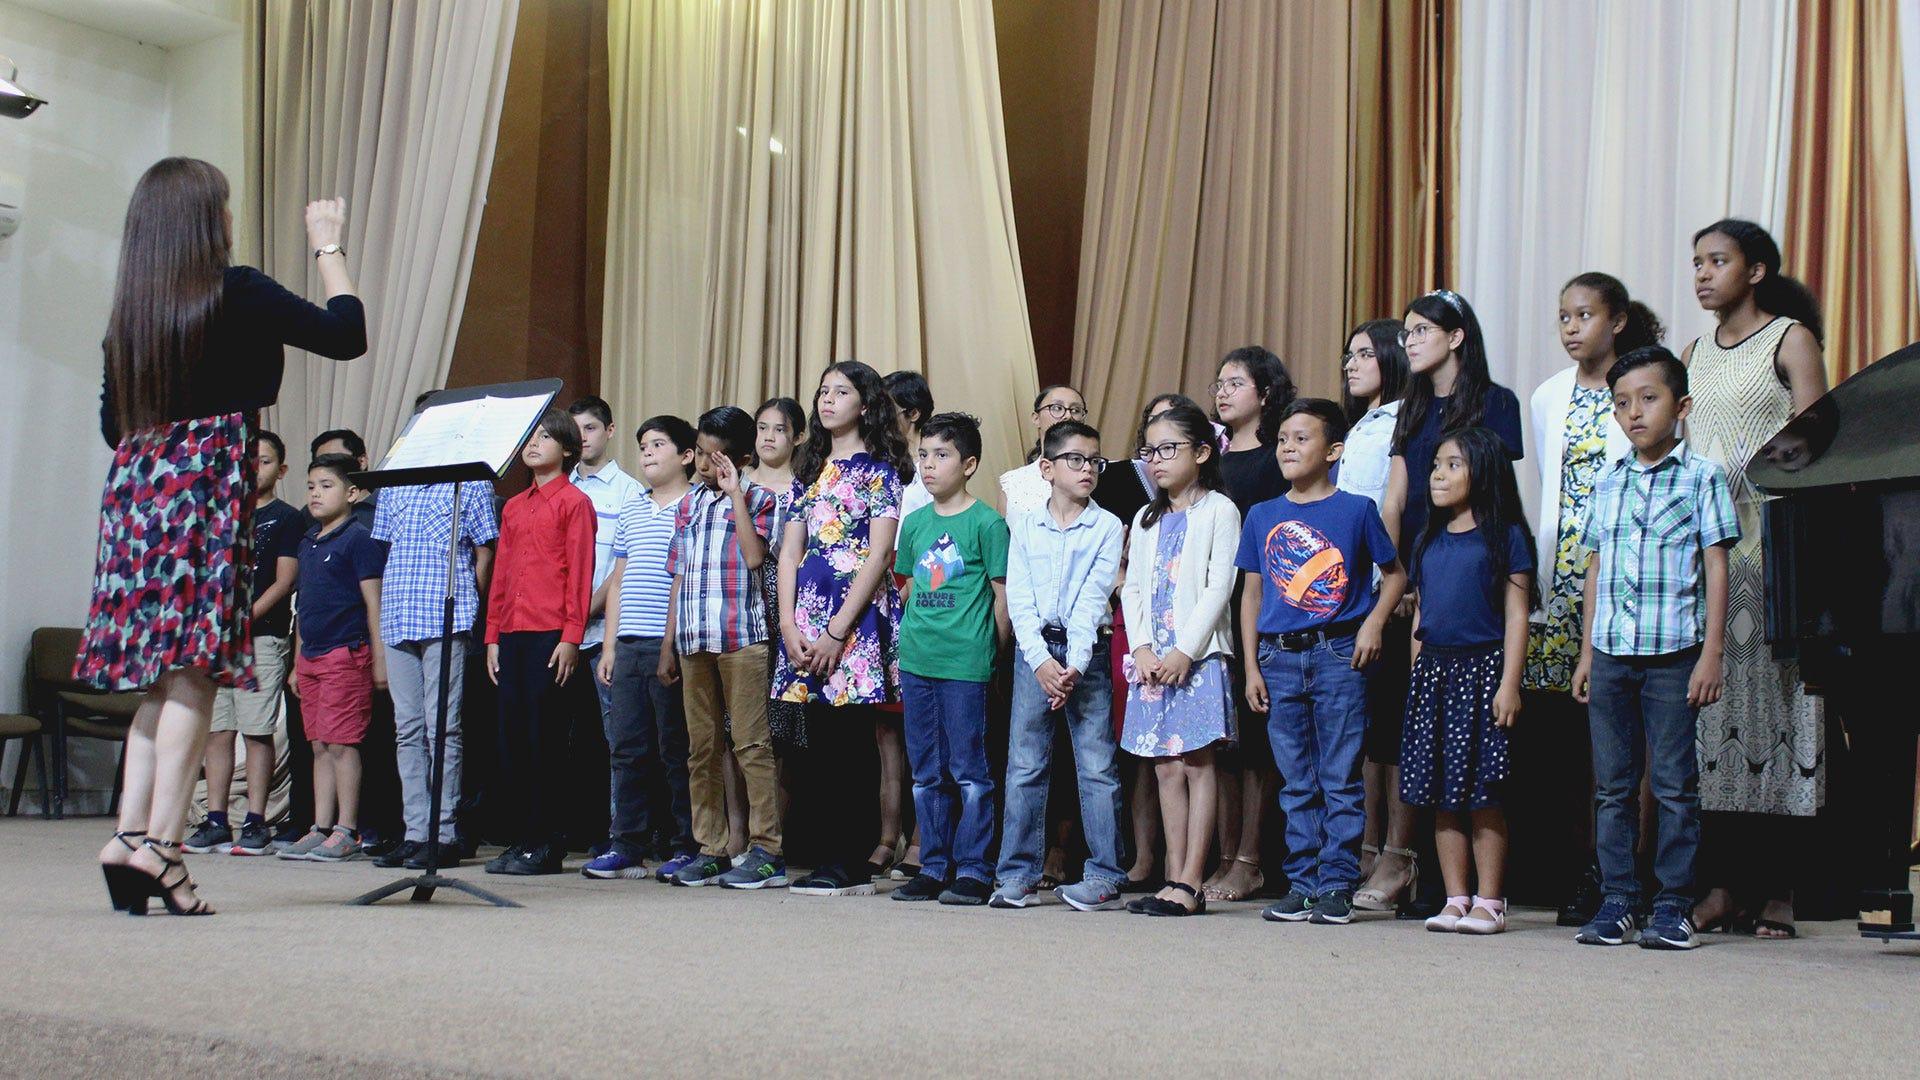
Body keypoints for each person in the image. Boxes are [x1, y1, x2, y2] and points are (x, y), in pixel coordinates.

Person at [86, 158, 363, 915]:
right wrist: (327, 244)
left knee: (160, 677)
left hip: (138, 491)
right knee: (196, 676)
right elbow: (347, 335)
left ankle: (126, 834)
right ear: (210, 220)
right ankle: (163, 849)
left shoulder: (130, 313)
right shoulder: (235, 290)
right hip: (203, 485)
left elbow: (114, 426)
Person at [1683, 219, 1828, 940]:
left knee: (1781, 713)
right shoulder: (1693, 353)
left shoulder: (1789, 339)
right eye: (1698, 263)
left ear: (1758, 270)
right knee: (1712, 724)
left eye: (1719, 261)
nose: (1704, 273)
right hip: (1710, 559)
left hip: (1774, 553)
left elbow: (1818, 440)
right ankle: (1722, 884)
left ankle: (1781, 888)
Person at [1571, 346, 1738, 950]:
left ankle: (1674, 904)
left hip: (1674, 654)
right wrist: (1589, 653)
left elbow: (1715, 565)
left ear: (1682, 405)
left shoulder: (1703, 478)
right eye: (1621, 403)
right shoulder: (1608, 481)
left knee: (1672, 784)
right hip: (1613, 651)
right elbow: (1595, 569)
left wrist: (1712, 651)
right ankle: (1618, 900)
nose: (1634, 412)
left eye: (1649, 398)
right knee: (1612, 786)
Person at [1241, 399, 1407, 926]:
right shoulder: (1263, 514)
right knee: (1296, 778)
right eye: (1283, 438)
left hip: (1338, 653)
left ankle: (1337, 882)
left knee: (1338, 775)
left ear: (1333, 451)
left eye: (1302, 438)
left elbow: (1395, 575)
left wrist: (1374, 623)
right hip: (1278, 657)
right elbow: (1251, 595)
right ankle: (1303, 883)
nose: (1288, 447)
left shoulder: (1356, 509)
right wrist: (1250, 665)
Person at [1526, 274, 1654, 925]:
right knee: (1570, 748)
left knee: (1624, 744)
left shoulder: (1638, 392)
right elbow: (1552, 488)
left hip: (1623, 583)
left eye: (1585, 314)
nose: (1573, 327)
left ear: (1618, 320)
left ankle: (1627, 875)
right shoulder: (1547, 396)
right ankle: (1583, 869)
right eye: (1563, 316)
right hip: (1562, 587)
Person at [773, 360, 908, 897]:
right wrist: (787, 622)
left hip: (853, 619)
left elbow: (878, 556)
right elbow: (789, 552)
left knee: (853, 740)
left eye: (841, 392)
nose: (828, 400)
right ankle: (822, 852)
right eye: (823, 392)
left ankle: (850, 858)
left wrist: (837, 630)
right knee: (816, 741)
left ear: (866, 404)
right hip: (804, 617)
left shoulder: (880, 469)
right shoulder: (808, 469)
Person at [1400, 428, 1536, 936]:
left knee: (1482, 793)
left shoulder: (1507, 538)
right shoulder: (1428, 539)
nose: (1439, 474)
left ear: (1484, 474)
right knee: (1440, 794)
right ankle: (1456, 896)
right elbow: (1422, 615)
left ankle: (1490, 899)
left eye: (1453, 464)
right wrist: (1417, 675)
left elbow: (1517, 615)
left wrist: (1509, 684)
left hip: (1482, 674)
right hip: (1434, 675)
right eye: (1436, 464)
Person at [994, 419, 1127, 911]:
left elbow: (1094, 600)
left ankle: (1106, 873)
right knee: (1025, 763)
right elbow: (1021, 599)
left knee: (1097, 765)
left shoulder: (1108, 525)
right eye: (1075, 459)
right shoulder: (1026, 524)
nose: (1087, 469)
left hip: (1083, 655)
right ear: (1047, 468)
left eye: (1095, 460)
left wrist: (1071, 664)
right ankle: (1016, 874)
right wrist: (1040, 662)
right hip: (1035, 655)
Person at [653, 406, 785, 889]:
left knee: (751, 744)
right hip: (692, 638)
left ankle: (767, 848)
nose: (705, 465)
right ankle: (710, 846)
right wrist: (668, 644)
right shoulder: (687, 505)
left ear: (742, 457)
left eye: (716, 457)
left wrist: (736, 497)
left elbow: (755, 558)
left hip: (741, 639)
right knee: (701, 749)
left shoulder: (762, 499)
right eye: (702, 455)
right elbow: (678, 575)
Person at [368, 392, 499, 871]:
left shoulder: (470, 477)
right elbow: (385, 552)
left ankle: (443, 832)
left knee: (443, 726)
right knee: (407, 729)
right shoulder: (396, 478)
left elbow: (485, 551)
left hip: (448, 613)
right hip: (399, 612)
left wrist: (473, 604)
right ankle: (414, 830)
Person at [1119, 403, 1240, 917]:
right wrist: (1142, 645)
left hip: (1197, 655)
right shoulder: (1146, 518)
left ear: (1202, 452)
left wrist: (1183, 650)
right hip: (1152, 659)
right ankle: (1171, 875)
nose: (1156, 460)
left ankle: (1192, 880)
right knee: (1165, 769)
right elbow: (1133, 589)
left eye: (1169, 449)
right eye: (1150, 451)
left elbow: (1220, 586)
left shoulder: (1219, 510)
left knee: (1196, 763)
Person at [890, 412, 1009, 905]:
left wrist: (990, 654)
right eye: (923, 454)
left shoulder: (987, 523)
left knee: (970, 771)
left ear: (969, 463)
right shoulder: (914, 523)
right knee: (926, 770)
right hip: (918, 661)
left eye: (941, 455)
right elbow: (906, 584)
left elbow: (1002, 599)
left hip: (967, 665)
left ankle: (975, 869)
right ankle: (933, 864)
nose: (929, 465)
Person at [482, 410, 596, 875]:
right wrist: (491, 636)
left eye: (545, 437)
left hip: (551, 634)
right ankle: (523, 837)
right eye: (529, 436)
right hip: (511, 632)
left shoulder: (574, 502)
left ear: (568, 450)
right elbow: (502, 576)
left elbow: (580, 573)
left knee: (544, 738)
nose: (534, 443)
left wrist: (571, 637)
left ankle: (548, 843)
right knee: (513, 740)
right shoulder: (513, 506)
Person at [589, 416, 699, 880]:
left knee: (676, 749)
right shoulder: (633, 507)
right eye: (643, 445)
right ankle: (626, 843)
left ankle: (685, 843)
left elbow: (683, 578)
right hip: (627, 643)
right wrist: (609, 644)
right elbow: (617, 579)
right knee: (627, 748)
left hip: (667, 643)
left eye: (658, 444)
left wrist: (669, 646)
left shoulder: (697, 505)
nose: (648, 453)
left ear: (687, 456)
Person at [184, 431, 302, 857]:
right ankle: (215, 819)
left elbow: (285, 580)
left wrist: (241, 620)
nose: (256, 468)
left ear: (280, 469)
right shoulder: (221, 513)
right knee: (218, 730)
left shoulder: (288, 518)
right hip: (217, 641)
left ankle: (256, 819)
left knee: (257, 730)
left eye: (266, 461)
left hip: (262, 638)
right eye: (249, 459)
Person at [1206, 346, 1294, 903]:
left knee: (1258, 744)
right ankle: (1218, 855)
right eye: (1218, 382)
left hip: (1254, 602)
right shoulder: (1206, 458)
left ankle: (1250, 859)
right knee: (1220, 742)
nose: (1222, 391)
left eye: (1235, 382)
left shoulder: (1273, 459)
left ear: (1264, 393)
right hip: (1205, 609)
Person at [1334, 321, 1417, 911]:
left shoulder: (1407, 417)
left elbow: (1399, 503)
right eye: (1348, 354)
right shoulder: (1359, 424)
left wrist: (1398, 579)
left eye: (1365, 353)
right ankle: (1366, 847)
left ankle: (1400, 854)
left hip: (1390, 588)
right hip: (1349, 592)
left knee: (1395, 728)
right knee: (1366, 735)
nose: (1352, 363)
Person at [279, 454, 387, 863]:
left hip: (347, 654)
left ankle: (347, 828)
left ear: (353, 492)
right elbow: (303, 604)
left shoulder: (358, 539)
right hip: (311, 657)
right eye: (311, 486)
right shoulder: (308, 541)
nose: (316, 493)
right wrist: (296, 659)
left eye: (327, 485)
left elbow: (372, 603)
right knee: (319, 744)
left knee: (343, 744)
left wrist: (378, 658)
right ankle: (320, 826)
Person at [563, 395, 644, 856]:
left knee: (617, 739)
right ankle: (572, 827)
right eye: (574, 431)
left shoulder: (629, 491)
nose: (582, 439)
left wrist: (584, 612)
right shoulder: (562, 488)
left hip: (602, 633)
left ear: (610, 431)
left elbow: (622, 568)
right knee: (568, 740)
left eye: (590, 428)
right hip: (560, 635)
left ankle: (620, 833)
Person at [875, 369, 936, 876]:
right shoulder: (878, 469)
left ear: (911, 415)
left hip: (916, 607)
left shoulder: (930, 474)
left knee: (921, 733)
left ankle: (922, 839)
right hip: (876, 608)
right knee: (885, 735)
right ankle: (886, 833)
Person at [750, 398, 811, 757]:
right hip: (738, 602)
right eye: (762, 428)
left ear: (798, 436)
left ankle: (779, 814)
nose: (768, 437)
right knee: (734, 723)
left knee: (783, 726)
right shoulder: (736, 484)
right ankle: (737, 815)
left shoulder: (805, 487)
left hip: (785, 604)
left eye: (779, 429)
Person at [1000, 384, 1089, 518]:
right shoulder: (1012, 483)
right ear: (1036, 418)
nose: (1068, 416)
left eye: (1076, 410)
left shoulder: (1093, 474)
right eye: (1057, 408)